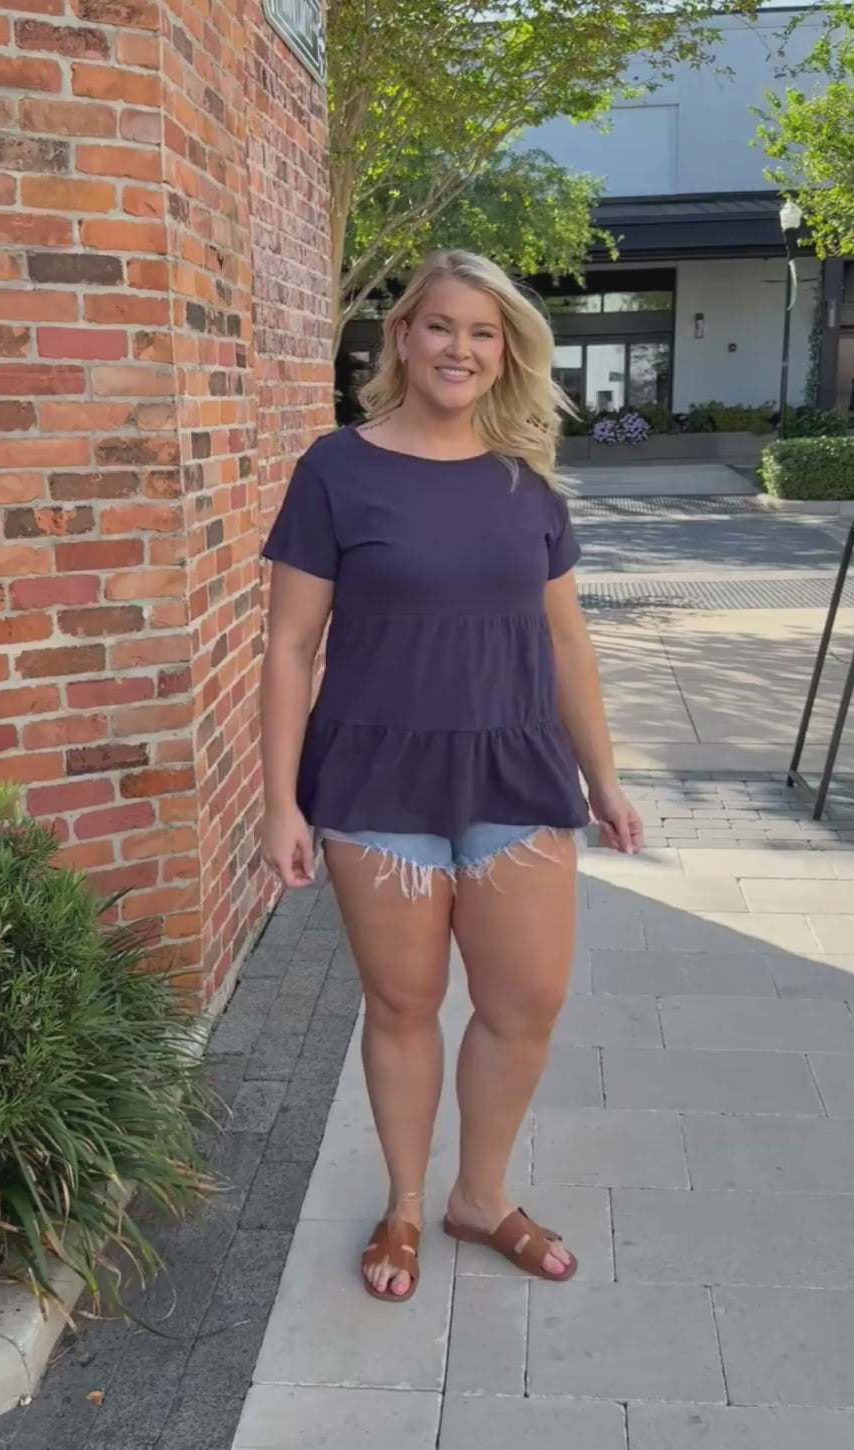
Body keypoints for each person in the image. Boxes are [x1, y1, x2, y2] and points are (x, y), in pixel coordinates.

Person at [259, 250, 642, 1304]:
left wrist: (604, 777)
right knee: (403, 1002)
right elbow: (289, 646)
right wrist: (279, 801)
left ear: (506, 353)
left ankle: (478, 1195)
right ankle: (403, 1204)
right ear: (402, 336)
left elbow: (565, 643)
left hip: (516, 772)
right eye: (440, 326)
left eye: (483, 332)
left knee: (527, 1000)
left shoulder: (527, 483)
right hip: (376, 779)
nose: (459, 348)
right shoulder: (335, 469)